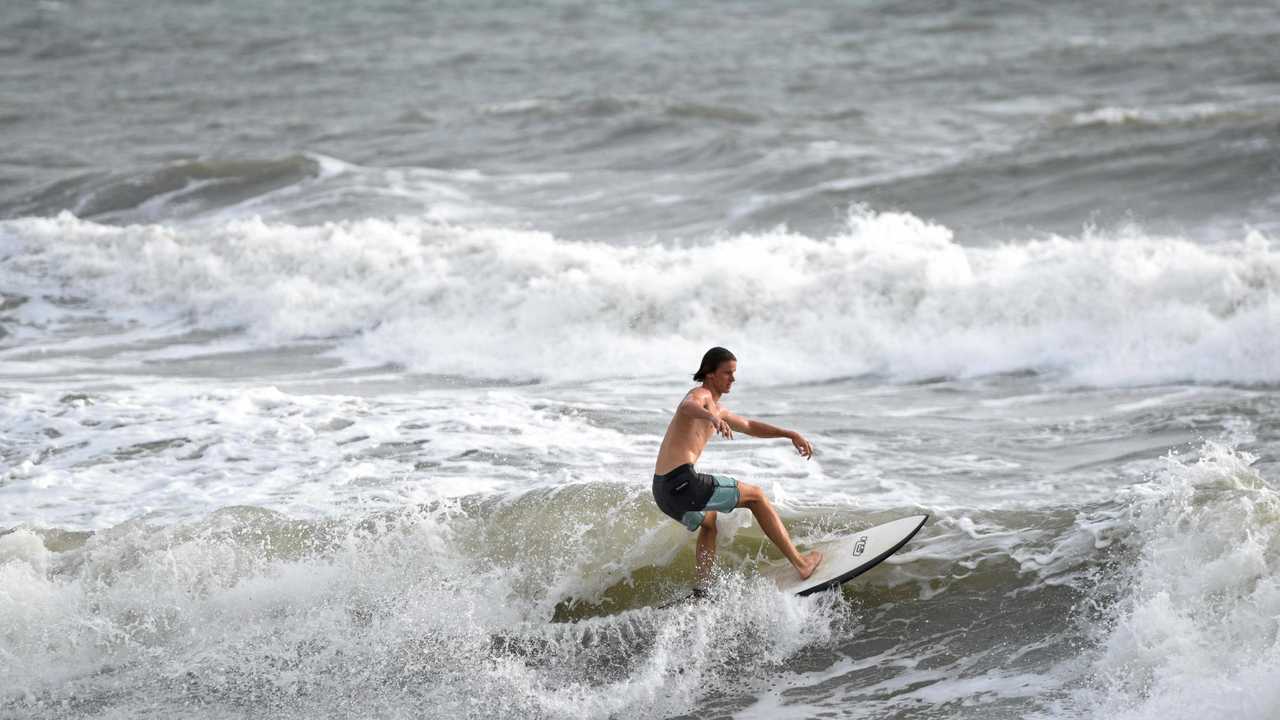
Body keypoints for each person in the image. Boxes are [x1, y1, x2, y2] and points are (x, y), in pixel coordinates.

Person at [652, 347, 822, 588]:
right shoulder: (700, 395)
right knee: (757, 496)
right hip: (682, 482)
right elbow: (686, 407)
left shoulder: (719, 409)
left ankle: (703, 589)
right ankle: (802, 564)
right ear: (710, 374)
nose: (733, 378)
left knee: (709, 523)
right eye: (727, 373)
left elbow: (750, 425)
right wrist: (711, 418)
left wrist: (788, 433)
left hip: (663, 491)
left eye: (734, 373)